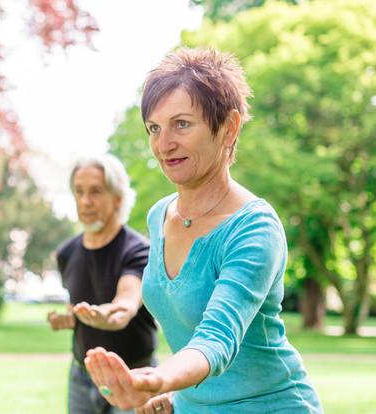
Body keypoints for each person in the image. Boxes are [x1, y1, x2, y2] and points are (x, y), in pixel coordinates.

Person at [84, 48, 323, 413]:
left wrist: (156, 380)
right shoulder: (159, 215)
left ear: (229, 127)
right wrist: (179, 396)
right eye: (154, 128)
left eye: (182, 124)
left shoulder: (254, 228)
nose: (164, 145)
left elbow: (215, 339)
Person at [47, 154, 159, 414]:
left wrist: (111, 314)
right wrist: (68, 318)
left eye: (96, 191)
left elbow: (127, 302)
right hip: (82, 377)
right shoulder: (66, 253)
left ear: (117, 197)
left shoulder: (139, 250)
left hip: (134, 377)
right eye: (79, 191)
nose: (85, 201)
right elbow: (79, 303)